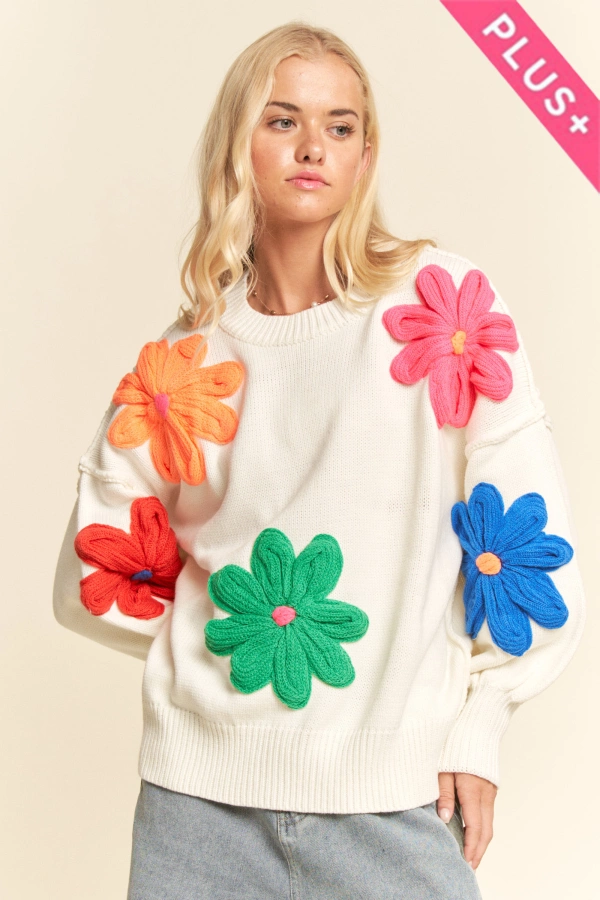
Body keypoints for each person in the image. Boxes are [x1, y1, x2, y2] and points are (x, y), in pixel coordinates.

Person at [52, 20, 586, 900]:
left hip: (395, 802)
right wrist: (238, 643)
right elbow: (98, 570)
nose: (313, 147)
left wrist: (480, 722)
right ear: (238, 145)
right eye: (282, 120)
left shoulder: (440, 311)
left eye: (341, 126)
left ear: (366, 155)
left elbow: (528, 539)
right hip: (197, 813)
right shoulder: (188, 360)